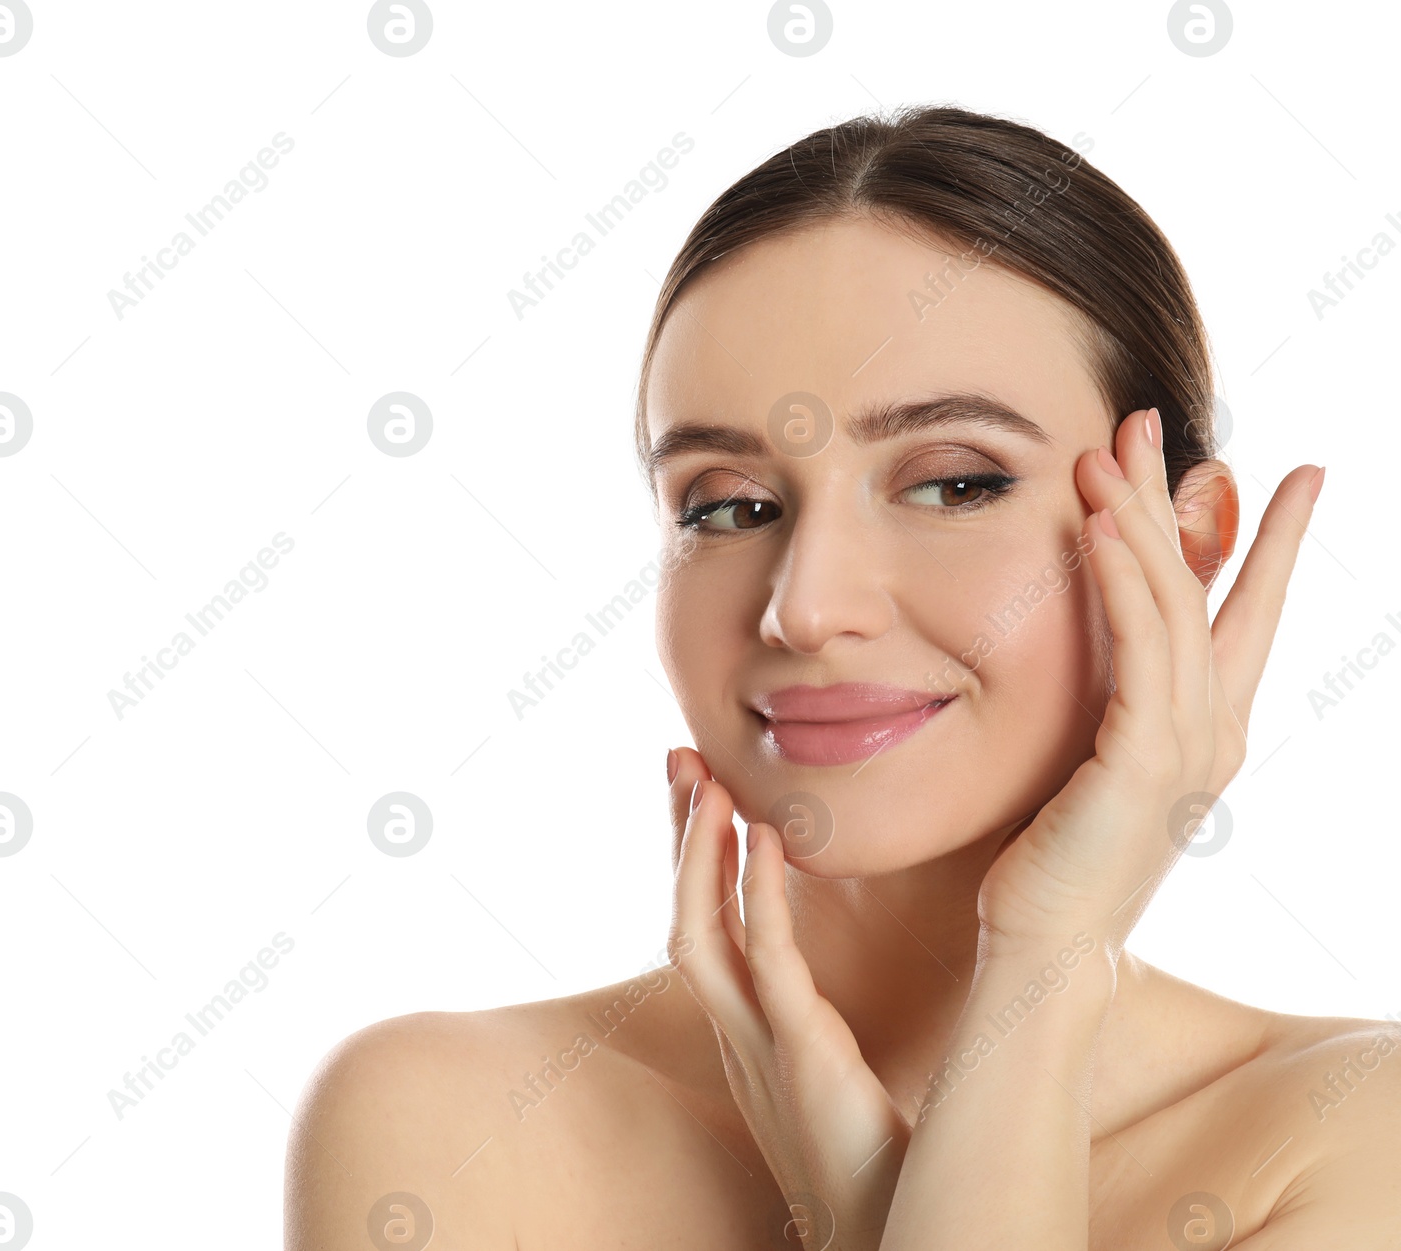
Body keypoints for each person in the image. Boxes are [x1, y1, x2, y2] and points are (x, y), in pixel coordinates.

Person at [285, 105, 1396, 1248]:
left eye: (954, 483)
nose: (804, 605)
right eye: (729, 506)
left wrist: (1041, 969)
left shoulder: (1350, 1134)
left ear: (1184, 537)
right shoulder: (452, 1124)